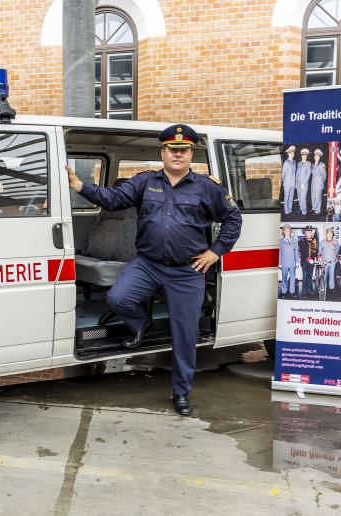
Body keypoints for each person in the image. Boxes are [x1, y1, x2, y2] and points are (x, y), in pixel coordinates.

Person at [66, 124, 242, 416]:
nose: (177, 155)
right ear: (163, 152)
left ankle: (182, 392)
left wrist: (215, 251)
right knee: (119, 298)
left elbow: (233, 218)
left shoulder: (208, 187)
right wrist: (80, 187)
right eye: (172, 150)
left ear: (190, 154)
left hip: (187, 270)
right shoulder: (145, 182)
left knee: (184, 333)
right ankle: (140, 323)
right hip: (147, 263)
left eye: (183, 150)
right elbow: (112, 199)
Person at [279, 224, 299, 299]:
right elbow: (279, 253)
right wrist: (280, 263)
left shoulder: (295, 241)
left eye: (288, 230)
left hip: (292, 263)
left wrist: (297, 262)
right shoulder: (280, 241)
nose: (287, 232)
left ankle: (292, 292)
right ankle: (284, 292)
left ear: (290, 232)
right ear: (283, 232)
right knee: (284, 279)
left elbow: (296, 252)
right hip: (284, 263)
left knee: (293, 278)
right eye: (285, 230)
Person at [298, 225, 318, 298]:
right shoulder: (302, 241)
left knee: (309, 277)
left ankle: (309, 290)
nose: (309, 233)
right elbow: (303, 252)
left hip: (312, 263)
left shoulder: (314, 241)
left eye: (310, 232)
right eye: (308, 232)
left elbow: (315, 251)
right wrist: (309, 259)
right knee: (305, 277)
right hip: (305, 263)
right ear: (305, 233)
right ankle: (304, 292)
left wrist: (318, 256)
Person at [318, 228, 339, 293]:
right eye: (328, 233)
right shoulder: (322, 242)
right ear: (326, 234)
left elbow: (337, 250)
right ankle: (323, 287)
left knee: (332, 275)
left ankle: (331, 288)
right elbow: (319, 250)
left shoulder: (335, 242)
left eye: (331, 233)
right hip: (324, 262)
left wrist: (334, 256)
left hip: (332, 261)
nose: (329, 235)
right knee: (324, 275)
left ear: (332, 234)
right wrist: (322, 257)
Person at [296, 148, 312, 216]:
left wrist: (304, 183)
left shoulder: (308, 163)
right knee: (299, 197)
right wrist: (296, 183)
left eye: (305, 155)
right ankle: (301, 208)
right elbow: (297, 174)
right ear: (301, 156)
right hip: (298, 183)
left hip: (304, 184)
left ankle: (304, 211)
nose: (304, 156)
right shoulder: (298, 163)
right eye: (303, 155)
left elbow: (308, 174)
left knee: (303, 197)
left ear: (306, 156)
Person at [311, 149, 326, 216]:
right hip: (313, 183)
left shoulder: (322, 164)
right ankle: (314, 207)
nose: (316, 157)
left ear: (320, 157)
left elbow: (324, 175)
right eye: (315, 156)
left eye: (318, 156)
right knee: (313, 196)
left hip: (319, 183)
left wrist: (321, 183)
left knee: (318, 197)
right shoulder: (313, 165)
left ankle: (317, 211)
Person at [282, 146, 296, 215]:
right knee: (286, 197)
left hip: (293, 183)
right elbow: (283, 174)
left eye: (293, 153)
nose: (292, 154)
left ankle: (290, 209)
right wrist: (285, 182)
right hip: (287, 183)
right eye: (291, 153)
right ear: (288, 154)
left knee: (291, 197)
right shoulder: (286, 162)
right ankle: (286, 210)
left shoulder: (294, 162)